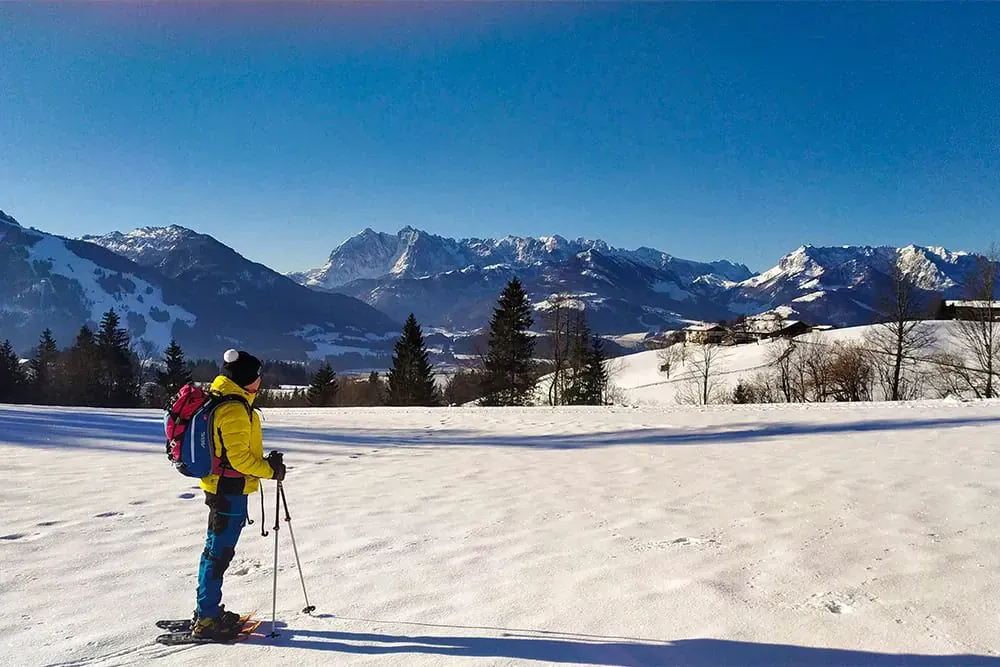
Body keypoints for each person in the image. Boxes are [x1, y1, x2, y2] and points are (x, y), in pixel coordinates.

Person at [191, 348, 286, 640]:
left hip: (222, 487)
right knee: (218, 554)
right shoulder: (233, 409)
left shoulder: (225, 399)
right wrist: (270, 470)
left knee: (214, 550)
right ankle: (207, 619)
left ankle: (207, 611)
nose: (260, 380)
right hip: (228, 490)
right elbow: (240, 460)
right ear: (246, 379)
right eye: (256, 376)